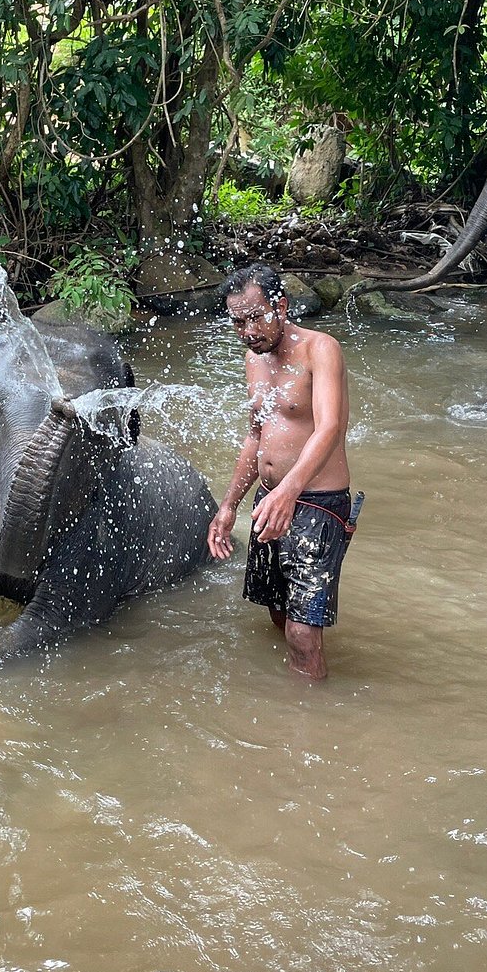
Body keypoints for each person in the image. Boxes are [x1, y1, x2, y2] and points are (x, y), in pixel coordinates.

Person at [208, 263, 356, 680]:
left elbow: (329, 428)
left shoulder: (319, 349)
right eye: (238, 322)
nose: (248, 331)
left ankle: (314, 729)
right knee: (276, 612)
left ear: (282, 305)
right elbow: (256, 437)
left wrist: (289, 491)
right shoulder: (252, 361)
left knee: (302, 631)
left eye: (256, 317)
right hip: (270, 501)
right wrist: (228, 506)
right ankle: (293, 699)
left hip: (317, 501)